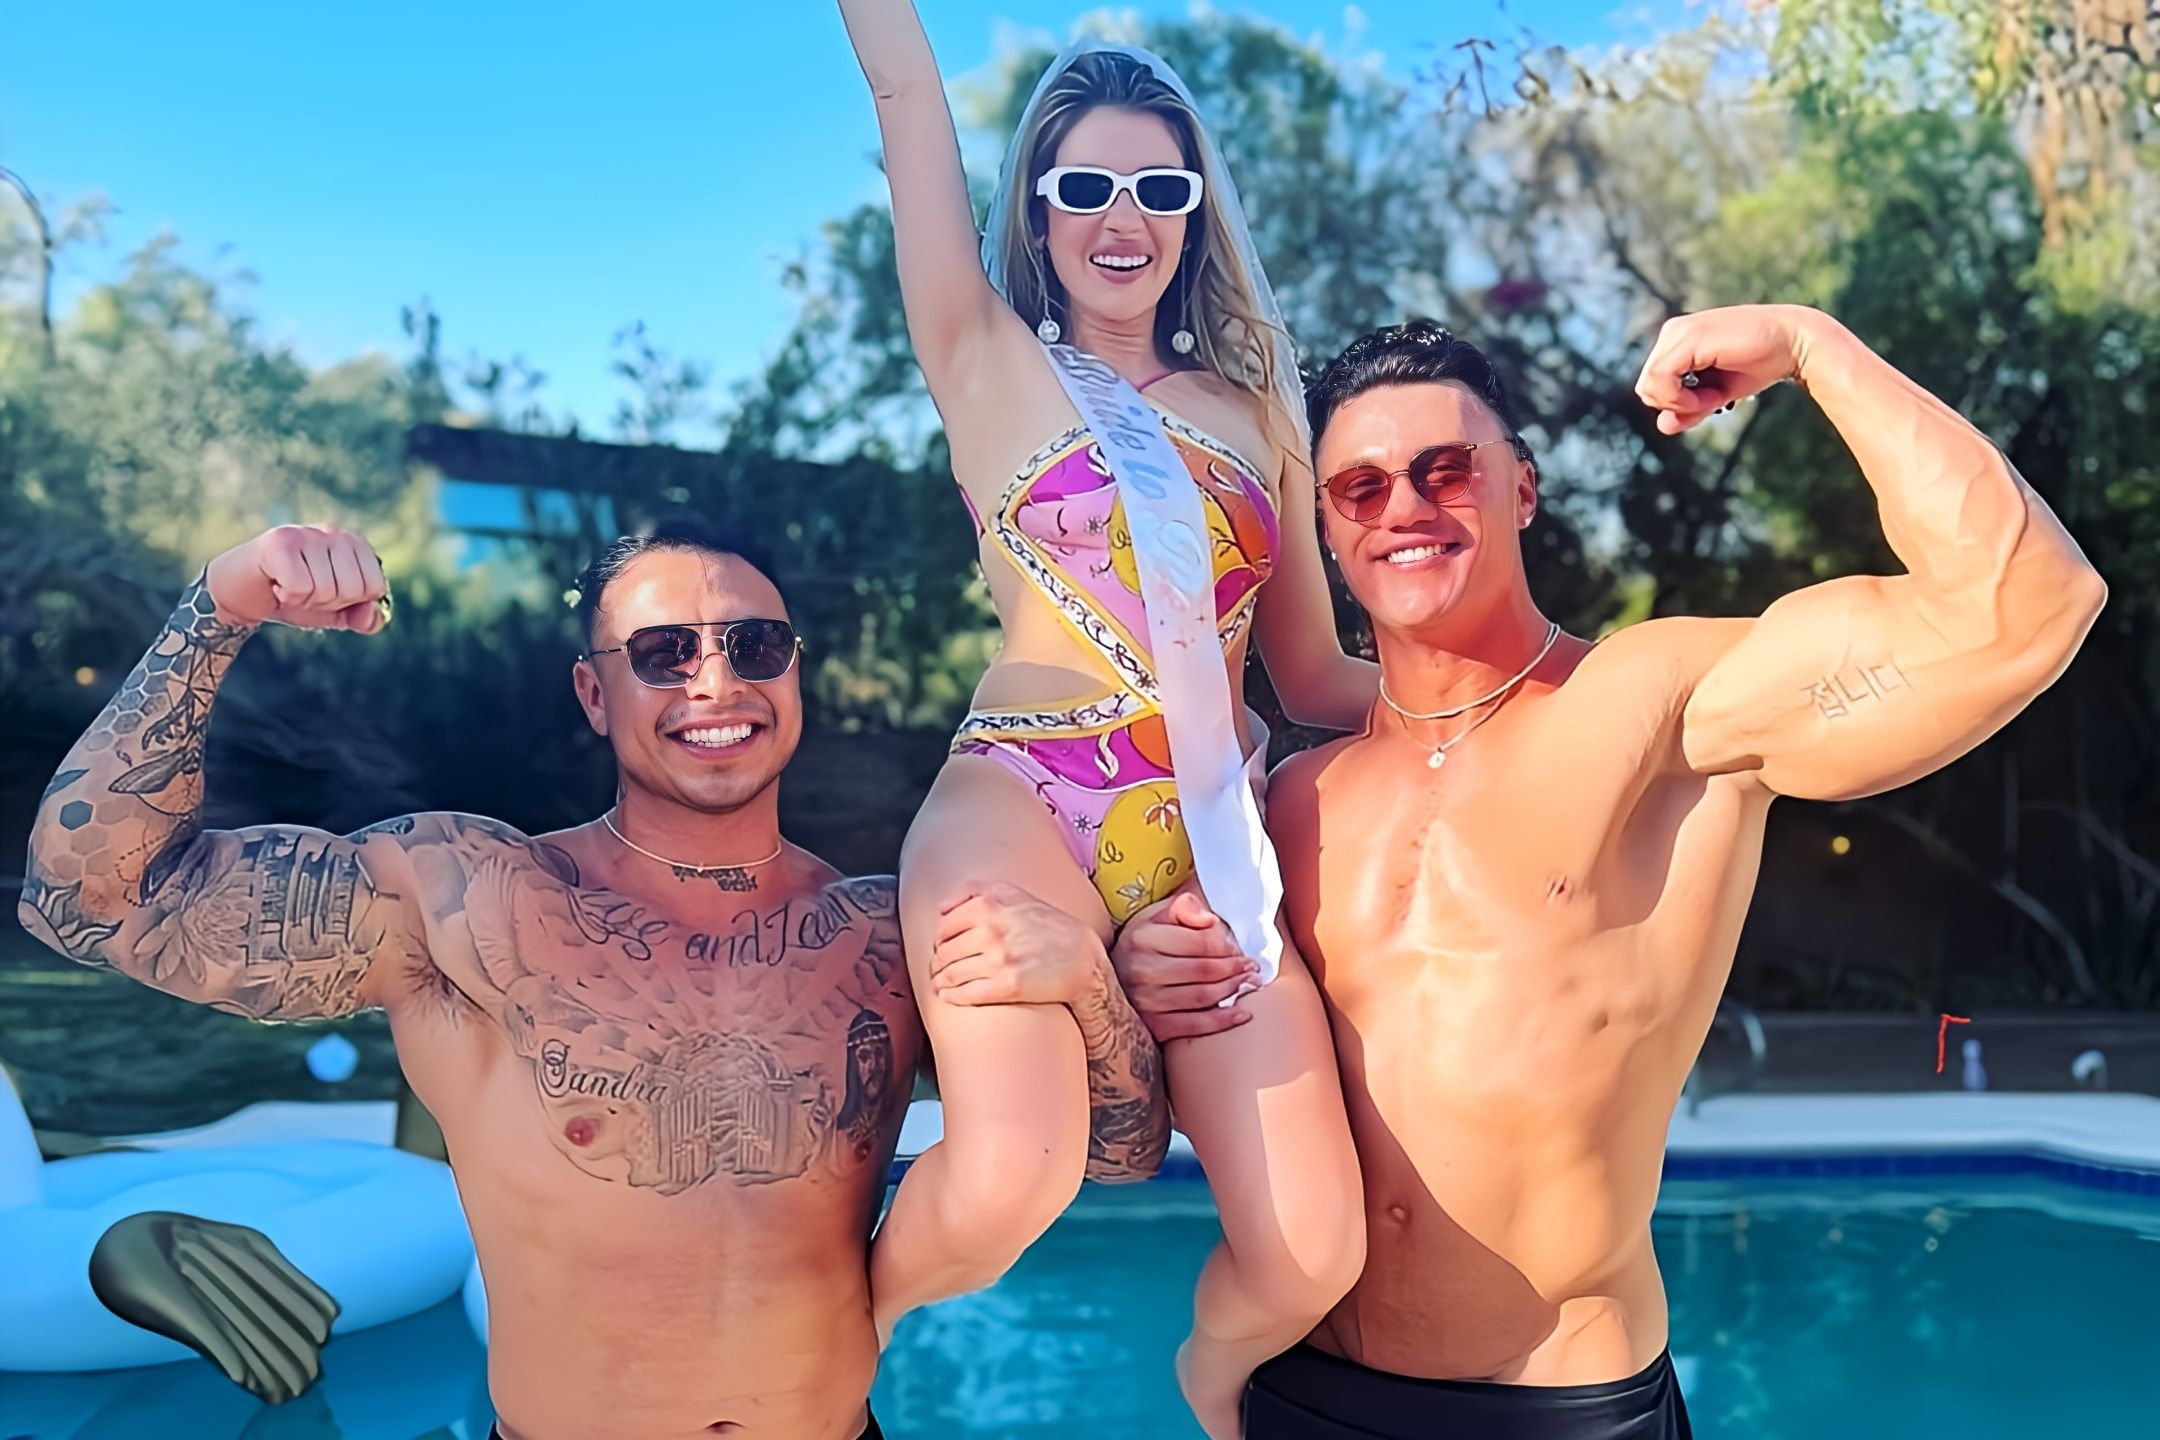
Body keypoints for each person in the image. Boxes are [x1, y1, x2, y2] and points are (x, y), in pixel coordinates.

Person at [1112, 306, 2107, 1438]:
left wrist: (1813, 346)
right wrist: (1146, 978)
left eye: (1448, 469)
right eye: (1361, 488)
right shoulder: (1293, 804)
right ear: (1331, 535)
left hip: (1560, 1405)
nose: (1406, 508)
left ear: (1521, 489)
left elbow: (2025, 609)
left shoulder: (1656, 713)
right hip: (1309, 1390)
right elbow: (1204, 1108)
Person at [19, 518, 1161, 1440]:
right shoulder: (470, 899)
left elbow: (1118, 1157)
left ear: (794, 674)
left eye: (753, 646)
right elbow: (88, 900)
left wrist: (1088, 989)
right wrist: (219, 609)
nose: (716, 682)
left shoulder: (882, 933)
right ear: (592, 693)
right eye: (664, 654)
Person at [835, 7, 1371, 1432]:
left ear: (1196, 216)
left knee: (1315, 1248)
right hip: (1023, 808)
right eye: (1084, 187)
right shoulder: (984, 355)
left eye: (1158, 188)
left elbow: (1313, 680)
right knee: (1011, 1176)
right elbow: (904, 98)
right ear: (1038, 209)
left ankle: (1209, 1390)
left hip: (1206, 857)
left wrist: (1521, 691)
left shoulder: (1264, 413)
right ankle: (829, 1352)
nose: (1121, 218)